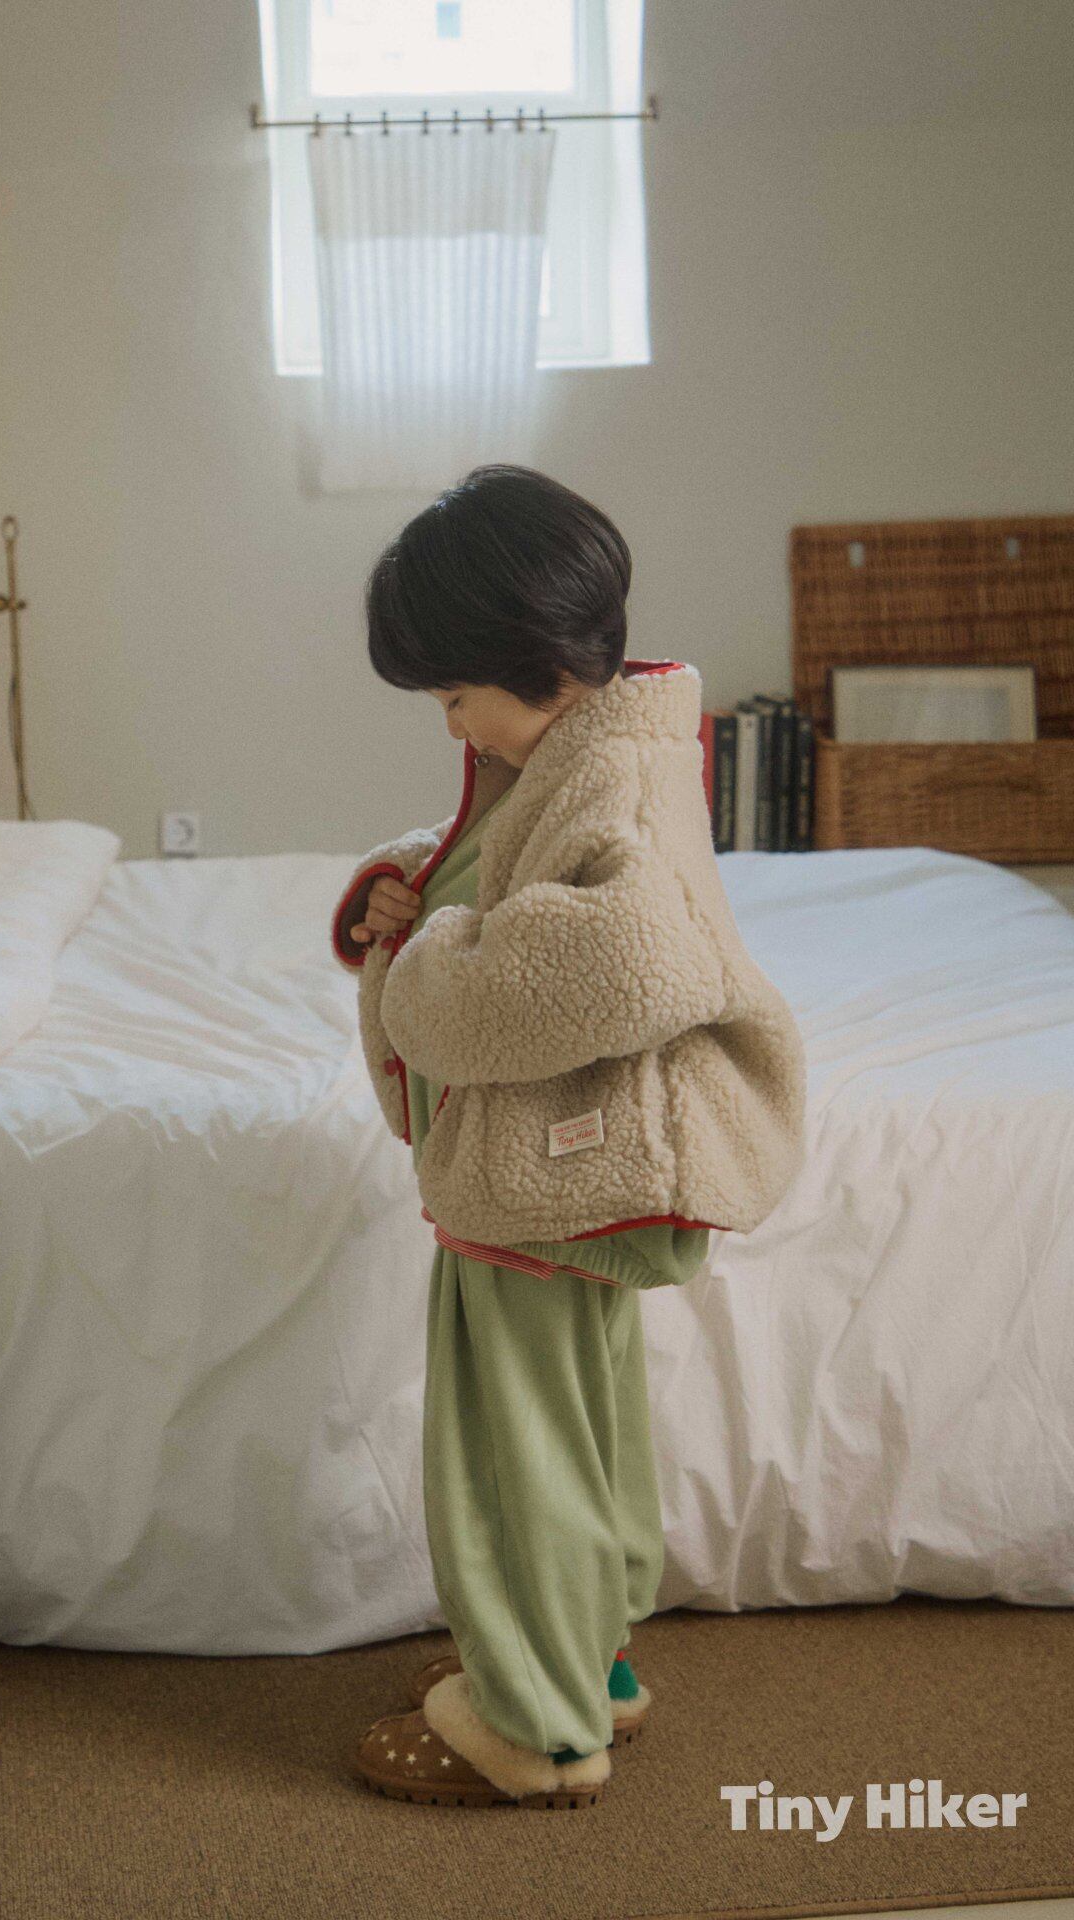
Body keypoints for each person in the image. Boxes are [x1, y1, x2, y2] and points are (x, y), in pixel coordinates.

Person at [329, 465, 806, 1809]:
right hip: (580, 1173)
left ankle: (532, 1729)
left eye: (453, 693)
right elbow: (511, 872)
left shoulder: (611, 779)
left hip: (548, 1173)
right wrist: (404, 893)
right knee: (584, 1429)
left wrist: (426, 956)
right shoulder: (594, 745)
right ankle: (589, 1666)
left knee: (510, 1455)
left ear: (533, 664)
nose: (450, 721)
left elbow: (618, 959)